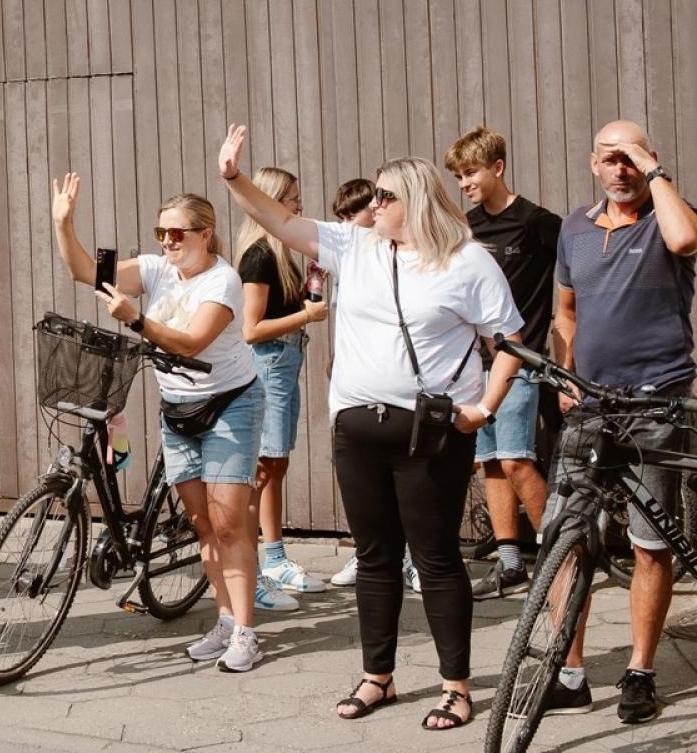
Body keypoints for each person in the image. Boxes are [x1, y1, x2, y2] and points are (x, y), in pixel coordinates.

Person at [219, 124, 524, 730]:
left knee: (436, 559)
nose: (371, 205)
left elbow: (510, 341)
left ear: (412, 200)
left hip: (429, 434)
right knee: (375, 556)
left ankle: (456, 687)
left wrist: (485, 407)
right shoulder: (354, 247)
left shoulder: (467, 261)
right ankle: (377, 676)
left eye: (383, 196)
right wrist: (234, 178)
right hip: (357, 428)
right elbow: (282, 223)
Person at [54, 173, 269, 672]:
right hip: (177, 408)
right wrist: (64, 224)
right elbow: (85, 271)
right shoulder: (156, 269)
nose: (168, 242)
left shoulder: (224, 280)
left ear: (205, 235)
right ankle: (222, 620)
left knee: (229, 524)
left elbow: (192, 342)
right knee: (202, 525)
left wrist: (135, 320)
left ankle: (245, 631)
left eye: (178, 233)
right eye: (162, 233)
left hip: (229, 405)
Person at [545, 120, 697, 723]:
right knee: (567, 539)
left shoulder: (670, 216)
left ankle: (640, 671)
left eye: (632, 157)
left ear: (650, 161)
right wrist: (566, 374)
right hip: (589, 404)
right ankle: (571, 672)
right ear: (592, 164)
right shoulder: (575, 228)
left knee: (648, 541)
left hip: (656, 403)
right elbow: (565, 311)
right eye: (610, 158)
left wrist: (655, 170)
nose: (621, 168)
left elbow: (687, 242)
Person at [444, 127, 560, 600]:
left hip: (520, 360)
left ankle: (558, 556)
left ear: (498, 167)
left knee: (515, 460)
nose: (464, 183)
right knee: (489, 462)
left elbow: (573, 288)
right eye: (457, 176)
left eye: (471, 172)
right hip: (475, 366)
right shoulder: (467, 229)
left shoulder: (537, 222)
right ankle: (511, 561)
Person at [233, 167, 328, 600]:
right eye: (292, 198)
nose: (299, 205)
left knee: (275, 465)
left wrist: (310, 294)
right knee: (263, 469)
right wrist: (306, 316)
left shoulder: (279, 254)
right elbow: (251, 329)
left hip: (284, 362)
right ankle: (255, 568)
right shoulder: (259, 255)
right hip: (269, 364)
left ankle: (272, 558)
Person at [327, 180, 422, 595]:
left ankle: (415, 558)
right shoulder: (349, 255)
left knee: (410, 486)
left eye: (357, 215)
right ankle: (377, 554)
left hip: (407, 396)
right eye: (343, 218)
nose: (350, 224)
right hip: (357, 390)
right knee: (368, 489)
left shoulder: (400, 255)